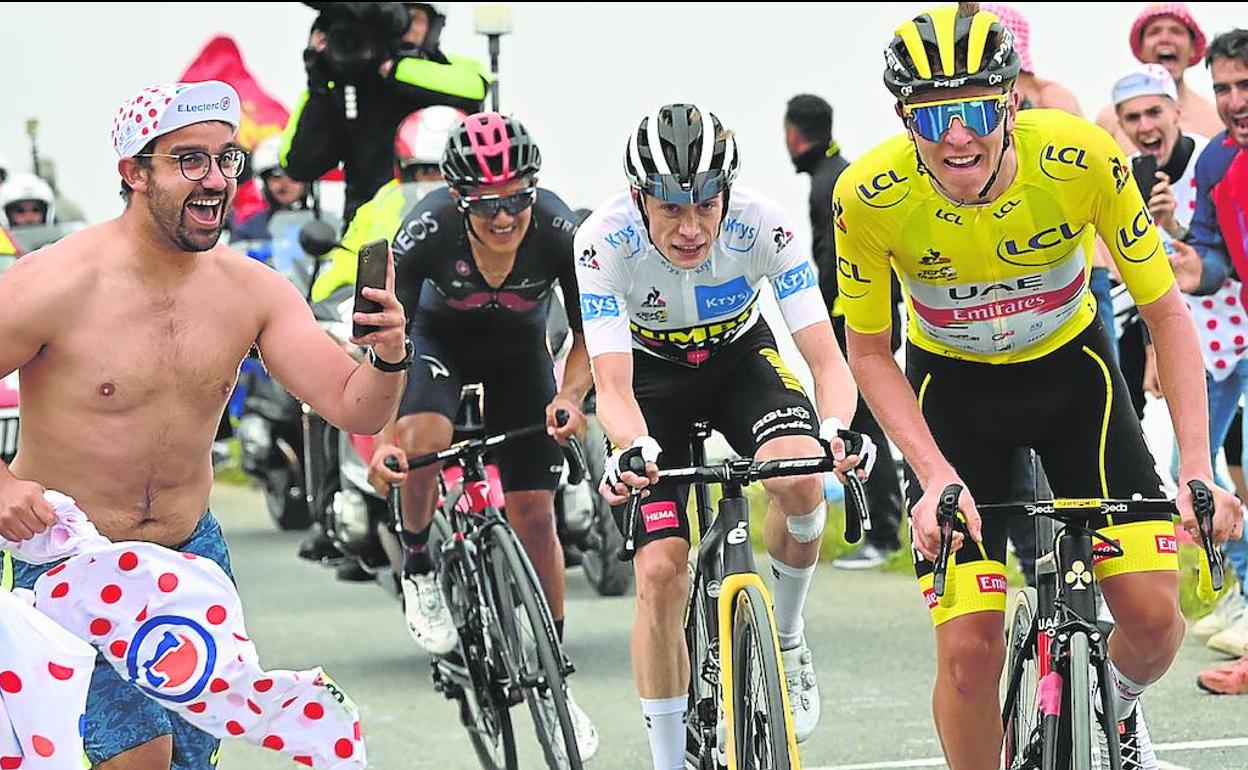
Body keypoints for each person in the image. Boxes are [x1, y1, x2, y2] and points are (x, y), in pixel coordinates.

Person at [836, 7, 1242, 768]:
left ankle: (1113, 709)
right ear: (903, 118)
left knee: (1155, 618)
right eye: (934, 116)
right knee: (968, 650)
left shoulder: (1083, 157)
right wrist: (932, 478)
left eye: (977, 110)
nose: (958, 136)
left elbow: (1164, 311)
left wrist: (1196, 466)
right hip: (951, 397)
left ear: (1010, 104)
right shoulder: (868, 196)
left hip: (1073, 380)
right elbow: (868, 350)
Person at [0, 79, 410, 770]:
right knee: (139, 757)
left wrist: (388, 351)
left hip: (192, 565)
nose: (216, 179)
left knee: (187, 762)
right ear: (134, 172)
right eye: (190, 160)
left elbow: (354, 405)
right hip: (73, 564)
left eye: (227, 159)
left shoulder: (250, 290)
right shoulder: (52, 285)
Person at [581, 102, 867, 768]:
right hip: (650, 379)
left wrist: (836, 429)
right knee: (659, 569)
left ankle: (788, 638)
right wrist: (631, 446)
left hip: (742, 361)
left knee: (799, 479)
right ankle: (666, 756)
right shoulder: (603, 240)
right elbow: (614, 390)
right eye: (671, 209)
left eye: (705, 206)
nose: (689, 228)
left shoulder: (764, 224)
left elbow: (827, 359)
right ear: (637, 199)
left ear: (726, 195)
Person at [362, 112, 599, 757]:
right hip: (435, 347)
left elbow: (588, 334)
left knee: (534, 512)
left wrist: (569, 398)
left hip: (522, 356)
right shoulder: (427, 231)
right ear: (458, 200)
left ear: (533, 190)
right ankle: (418, 565)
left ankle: (555, 681)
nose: (503, 218)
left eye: (515, 200)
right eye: (486, 205)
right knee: (425, 438)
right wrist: (384, 436)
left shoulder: (556, 230)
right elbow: (386, 345)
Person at [784, 93, 903, 568]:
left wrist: (838, 328)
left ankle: (884, 536)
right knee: (865, 422)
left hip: (854, 320)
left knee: (862, 425)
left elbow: (838, 264)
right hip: (869, 317)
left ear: (793, 133)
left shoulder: (828, 184)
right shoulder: (838, 174)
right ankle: (884, 533)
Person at [281, 2, 487, 227]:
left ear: (435, 24)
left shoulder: (455, 69)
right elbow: (298, 163)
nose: (401, 29)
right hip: (370, 237)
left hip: (445, 227)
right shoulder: (350, 84)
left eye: (412, 17)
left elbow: (474, 87)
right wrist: (319, 84)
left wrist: (391, 67)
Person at [1189, 27, 1248, 695]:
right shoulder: (1215, 162)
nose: (1235, 102)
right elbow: (1214, 258)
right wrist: (1188, 264)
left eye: (1245, 86)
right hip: (1238, 334)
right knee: (1207, 473)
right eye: (1223, 89)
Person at [309, 104, 464, 303]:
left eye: (448, 174)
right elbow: (339, 276)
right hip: (393, 317)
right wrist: (345, 298)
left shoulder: (494, 216)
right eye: (428, 171)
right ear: (407, 174)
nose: (439, 183)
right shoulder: (374, 211)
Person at [1096, 3, 1223, 152]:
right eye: (1154, 32)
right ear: (1141, 49)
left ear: (1193, 49)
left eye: (1176, 31)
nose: (1165, 39)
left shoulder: (1217, 121)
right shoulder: (1109, 122)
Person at [229, 135, 310, 240]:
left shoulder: (323, 224)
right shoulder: (248, 229)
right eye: (276, 177)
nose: (284, 184)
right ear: (264, 183)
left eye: (293, 177)